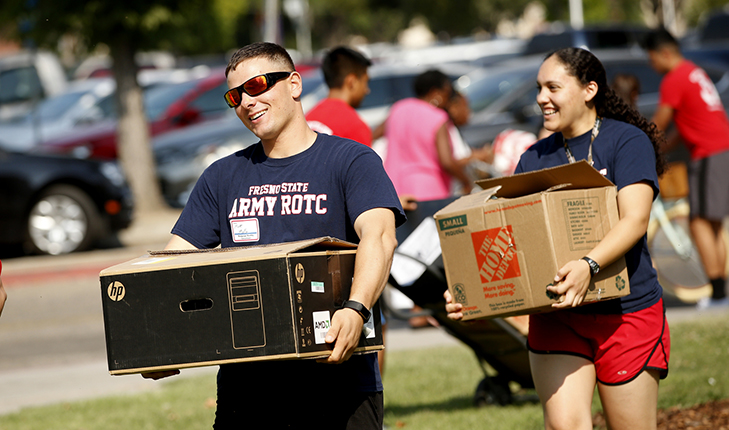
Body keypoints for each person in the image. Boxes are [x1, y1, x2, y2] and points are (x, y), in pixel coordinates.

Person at [144, 42, 406, 429]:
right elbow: (172, 267)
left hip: (339, 382)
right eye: (235, 95)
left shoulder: (351, 160)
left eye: (259, 85)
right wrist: (160, 342)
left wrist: (356, 308)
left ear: (295, 84)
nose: (247, 101)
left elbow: (380, 238)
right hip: (248, 392)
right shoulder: (221, 177)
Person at [446, 47, 670, 430]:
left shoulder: (626, 141)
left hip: (626, 314)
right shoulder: (534, 157)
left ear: (589, 90)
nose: (540, 98)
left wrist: (588, 266)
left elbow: (635, 220)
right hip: (557, 317)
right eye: (538, 88)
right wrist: (474, 297)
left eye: (552, 87)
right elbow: (508, 239)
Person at [644, 27, 729, 309]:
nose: (651, 64)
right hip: (719, 148)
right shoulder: (693, 71)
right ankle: (720, 291)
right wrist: (665, 149)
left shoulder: (674, 78)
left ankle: (718, 294)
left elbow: (659, 122)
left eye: (652, 58)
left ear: (664, 52)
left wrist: (639, 145)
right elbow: (689, 121)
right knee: (712, 223)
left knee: (699, 222)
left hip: (709, 153)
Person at [382, 69, 473, 201]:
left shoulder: (398, 109)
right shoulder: (438, 117)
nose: (447, 101)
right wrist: (466, 181)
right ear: (436, 93)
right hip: (430, 191)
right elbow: (446, 161)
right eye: (446, 94)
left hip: (394, 190)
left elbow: (373, 135)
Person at [306, 46, 373, 147]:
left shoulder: (307, 118)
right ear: (352, 82)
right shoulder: (355, 127)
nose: (367, 90)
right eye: (365, 82)